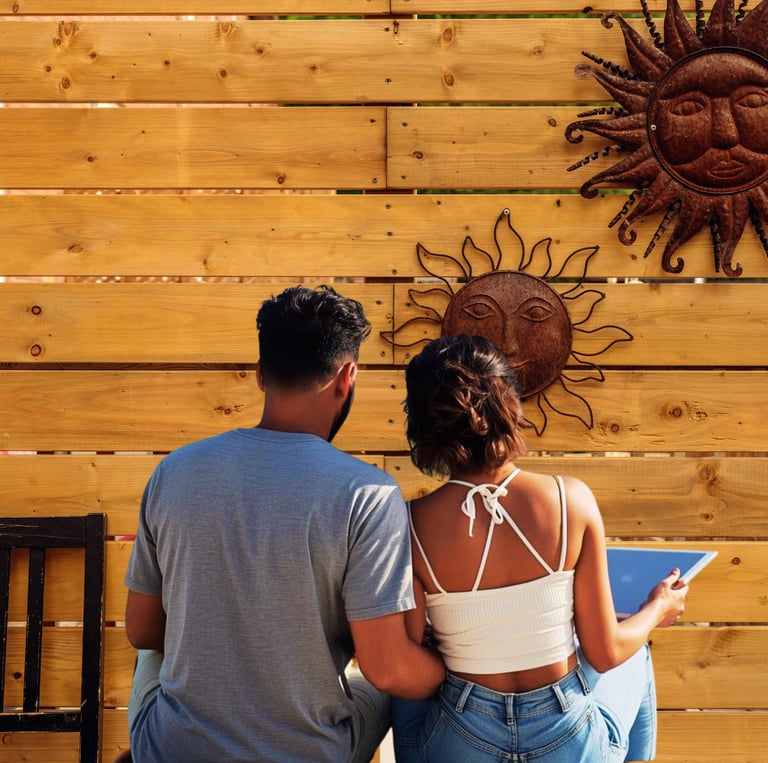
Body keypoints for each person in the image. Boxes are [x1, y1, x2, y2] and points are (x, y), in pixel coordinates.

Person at [120, 285, 445, 763]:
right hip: (308, 752)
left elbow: (143, 631)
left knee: (155, 657)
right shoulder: (368, 494)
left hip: (174, 748)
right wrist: (442, 671)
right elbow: (389, 668)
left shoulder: (175, 471)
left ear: (259, 376)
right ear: (346, 377)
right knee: (381, 686)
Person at [391, 334, 688, 763]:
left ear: (422, 425)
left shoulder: (411, 522)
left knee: (404, 691)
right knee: (635, 653)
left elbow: (419, 654)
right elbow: (605, 654)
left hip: (462, 739)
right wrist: (658, 607)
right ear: (510, 404)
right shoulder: (572, 499)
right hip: (565, 737)